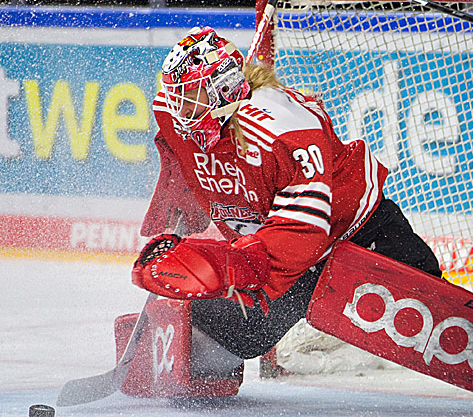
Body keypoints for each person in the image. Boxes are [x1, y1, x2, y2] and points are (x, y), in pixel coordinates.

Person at [130, 28, 443, 367]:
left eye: (190, 96)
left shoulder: (285, 129)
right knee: (234, 330)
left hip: (356, 230)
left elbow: (303, 232)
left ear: (223, 91)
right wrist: (180, 205)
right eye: (178, 95)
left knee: (428, 307)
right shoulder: (175, 112)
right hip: (275, 249)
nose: (180, 108)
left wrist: (234, 265)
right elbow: (177, 153)